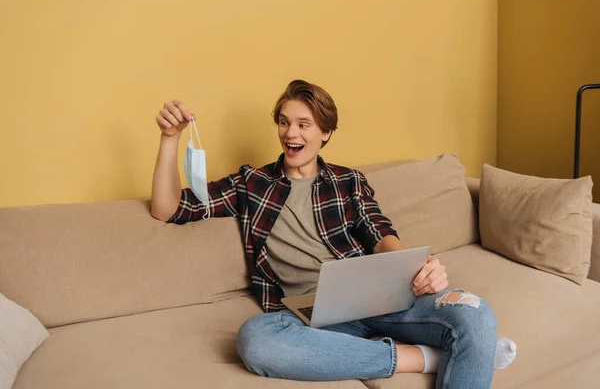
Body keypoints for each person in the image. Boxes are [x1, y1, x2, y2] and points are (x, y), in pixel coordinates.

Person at [150, 80, 516, 388]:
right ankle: (425, 358)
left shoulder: (347, 181)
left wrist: (416, 266)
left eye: (304, 124)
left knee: (475, 313)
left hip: (373, 299)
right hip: (307, 313)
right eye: (284, 122)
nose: (290, 133)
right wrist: (170, 139)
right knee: (256, 340)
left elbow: (378, 230)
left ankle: (467, 349)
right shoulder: (252, 183)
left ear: (325, 133)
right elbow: (168, 208)